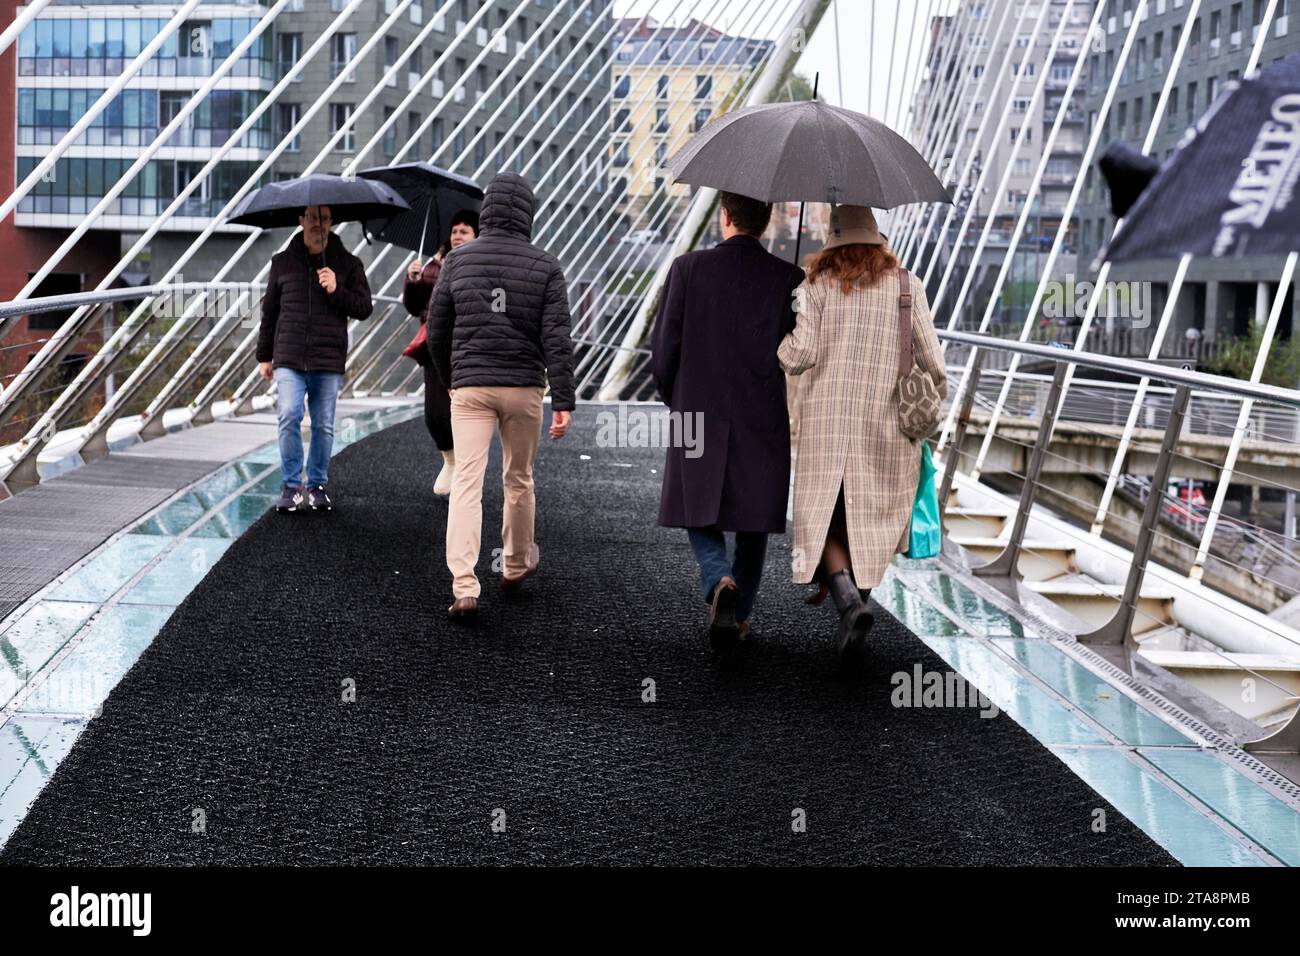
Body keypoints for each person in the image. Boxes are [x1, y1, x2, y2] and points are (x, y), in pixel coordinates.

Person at [778, 205, 946, 666]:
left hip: (827, 426)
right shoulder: (907, 287)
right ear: (878, 239)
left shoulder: (815, 286)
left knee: (826, 518)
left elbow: (800, 355)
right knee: (870, 519)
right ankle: (857, 599)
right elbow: (935, 365)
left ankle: (849, 600)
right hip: (888, 426)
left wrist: (781, 341)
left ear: (831, 242)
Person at [651, 191, 805, 653]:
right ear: (767, 221)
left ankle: (717, 576)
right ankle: (741, 614)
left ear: (725, 217)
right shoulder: (789, 278)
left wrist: (671, 393)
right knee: (755, 517)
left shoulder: (686, 268)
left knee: (693, 501)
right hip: (762, 410)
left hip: (696, 405)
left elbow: (665, 348)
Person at [427, 172, 574, 621]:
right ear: (528, 213)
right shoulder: (546, 265)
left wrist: (452, 376)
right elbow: (557, 338)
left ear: (487, 210)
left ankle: (465, 587)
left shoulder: (457, 259)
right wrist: (563, 400)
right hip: (524, 387)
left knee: (467, 483)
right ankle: (513, 566)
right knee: (519, 478)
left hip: (470, 385)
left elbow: (436, 329)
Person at [257, 204, 374, 513]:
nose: (317, 224)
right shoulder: (282, 263)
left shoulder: (348, 264)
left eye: (323, 218)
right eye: (312, 218)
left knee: (322, 424)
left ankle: (317, 485)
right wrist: (264, 356)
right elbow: (269, 313)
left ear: (331, 221)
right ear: (301, 220)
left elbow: (364, 308)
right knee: (289, 415)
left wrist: (336, 289)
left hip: (327, 358)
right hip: (288, 356)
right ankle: (292, 485)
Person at [401, 209, 480, 496]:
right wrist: (413, 281)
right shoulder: (432, 266)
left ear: (476, 235)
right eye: (455, 231)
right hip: (435, 344)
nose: (458, 236)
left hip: (468, 346)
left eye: (465, 231)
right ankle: (450, 460)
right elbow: (413, 306)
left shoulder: (480, 264)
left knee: (466, 409)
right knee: (435, 412)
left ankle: (466, 470)